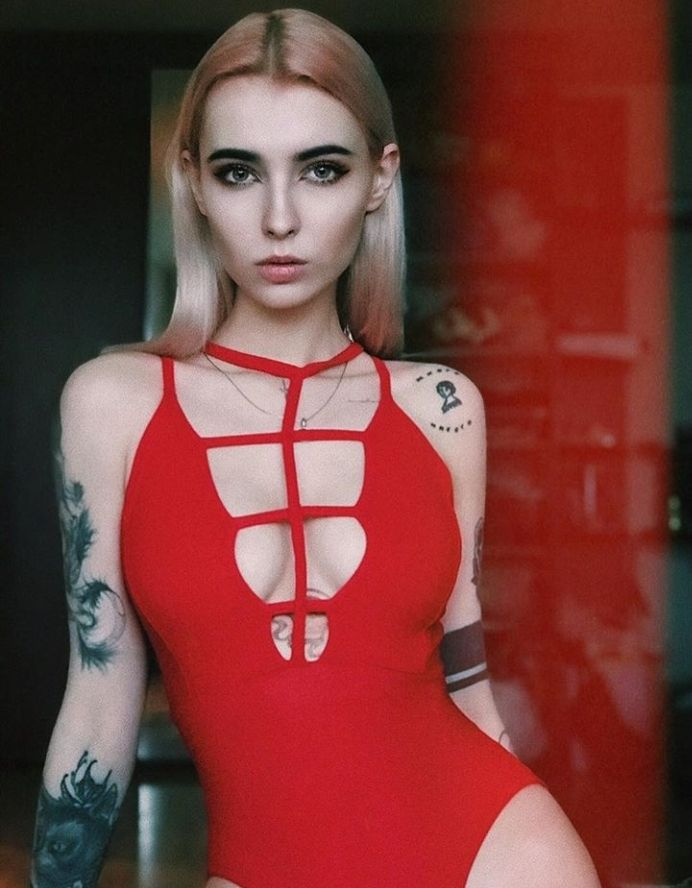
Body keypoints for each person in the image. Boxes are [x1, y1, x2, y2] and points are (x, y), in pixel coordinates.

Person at [29, 9, 601, 888]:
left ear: (379, 179)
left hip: (495, 853)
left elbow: (469, 685)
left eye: (322, 169)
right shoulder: (111, 404)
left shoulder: (443, 408)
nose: (280, 217)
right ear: (194, 184)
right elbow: (99, 693)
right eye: (239, 172)